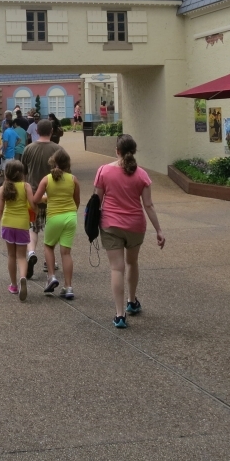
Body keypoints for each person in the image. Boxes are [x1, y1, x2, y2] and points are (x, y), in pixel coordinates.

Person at [93, 134, 164, 328]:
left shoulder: (104, 171)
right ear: (133, 151)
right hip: (135, 225)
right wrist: (159, 230)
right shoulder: (142, 175)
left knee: (117, 268)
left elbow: (97, 200)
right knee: (132, 262)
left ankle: (119, 314)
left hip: (110, 225)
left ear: (117, 151)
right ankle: (132, 301)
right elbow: (148, 205)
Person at [32, 148, 80, 299]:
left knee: (49, 246)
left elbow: (35, 199)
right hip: (70, 217)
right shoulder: (73, 179)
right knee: (66, 253)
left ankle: (51, 276)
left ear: (53, 162)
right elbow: (77, 201)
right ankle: (68, 287)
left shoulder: (47, 179)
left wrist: (47, 198)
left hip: (54, 217)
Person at [21, 119, 63, 279]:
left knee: (33, 227)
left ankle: (31, 252)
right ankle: (48, 261)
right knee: (51, 229)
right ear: (52, 131)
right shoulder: (58, 149)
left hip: (33, 194)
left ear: (36, 131)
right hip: (52, 195)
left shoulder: (29, 149)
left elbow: (23, 172)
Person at [0, 160, 34, 300]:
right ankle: (23, 277)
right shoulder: (26, 186)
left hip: (8, 225)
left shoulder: (3, 188)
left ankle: (14, 285)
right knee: (21, 256)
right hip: (22, 224)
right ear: (21, 174)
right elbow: (33, 204)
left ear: (7, 173)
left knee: (11, 255)